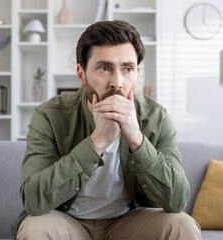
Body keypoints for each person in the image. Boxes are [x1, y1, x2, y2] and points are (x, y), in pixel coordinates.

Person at [11, 20, 202, 240]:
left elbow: (177, 200)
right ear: (81, 74)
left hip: (129, 222)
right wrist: (96, 142)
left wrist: (137, 141)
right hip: (66, 220)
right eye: (104, 68)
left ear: (137, 75)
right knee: (35, 228)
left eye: (127, 69)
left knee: (181, 225)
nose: (117, 82)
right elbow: (34, 199)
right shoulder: (49, 115)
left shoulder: (155, 117)